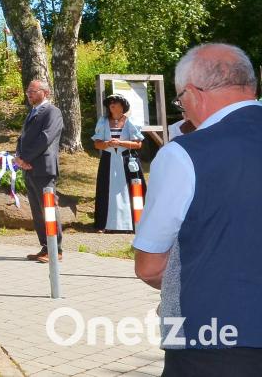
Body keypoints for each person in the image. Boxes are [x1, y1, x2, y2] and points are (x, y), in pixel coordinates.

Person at [133, 43, 262, 375]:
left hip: (215, 341)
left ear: (192, 93)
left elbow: (149, 266)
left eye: (180, 101)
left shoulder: (184, 154)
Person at [15, 80, 64, 263]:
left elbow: (45, 138)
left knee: (48, 208)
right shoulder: (32, 112)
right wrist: (19, 156)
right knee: (37, 210)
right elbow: (23, 138)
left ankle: (56, 249)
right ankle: (45, 246)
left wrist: (26, 158)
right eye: (28, 91)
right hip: (29, 168)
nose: (28, 94)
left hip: (43, 168)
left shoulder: (52, 112)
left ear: (45, 92)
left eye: (33, 91)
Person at [91, 94, 146, 233]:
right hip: (108, 160)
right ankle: (104, 225)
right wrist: (107, 144)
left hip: (127, 159)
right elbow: (97, 144)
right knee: (106, 190)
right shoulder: (103, 122)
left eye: (115, 102)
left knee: (131, 190)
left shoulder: (130, 121)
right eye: (110, 102)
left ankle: (135, 224)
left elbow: (138, 144)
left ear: (122, 106)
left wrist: (120, 143)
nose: (112, 104)